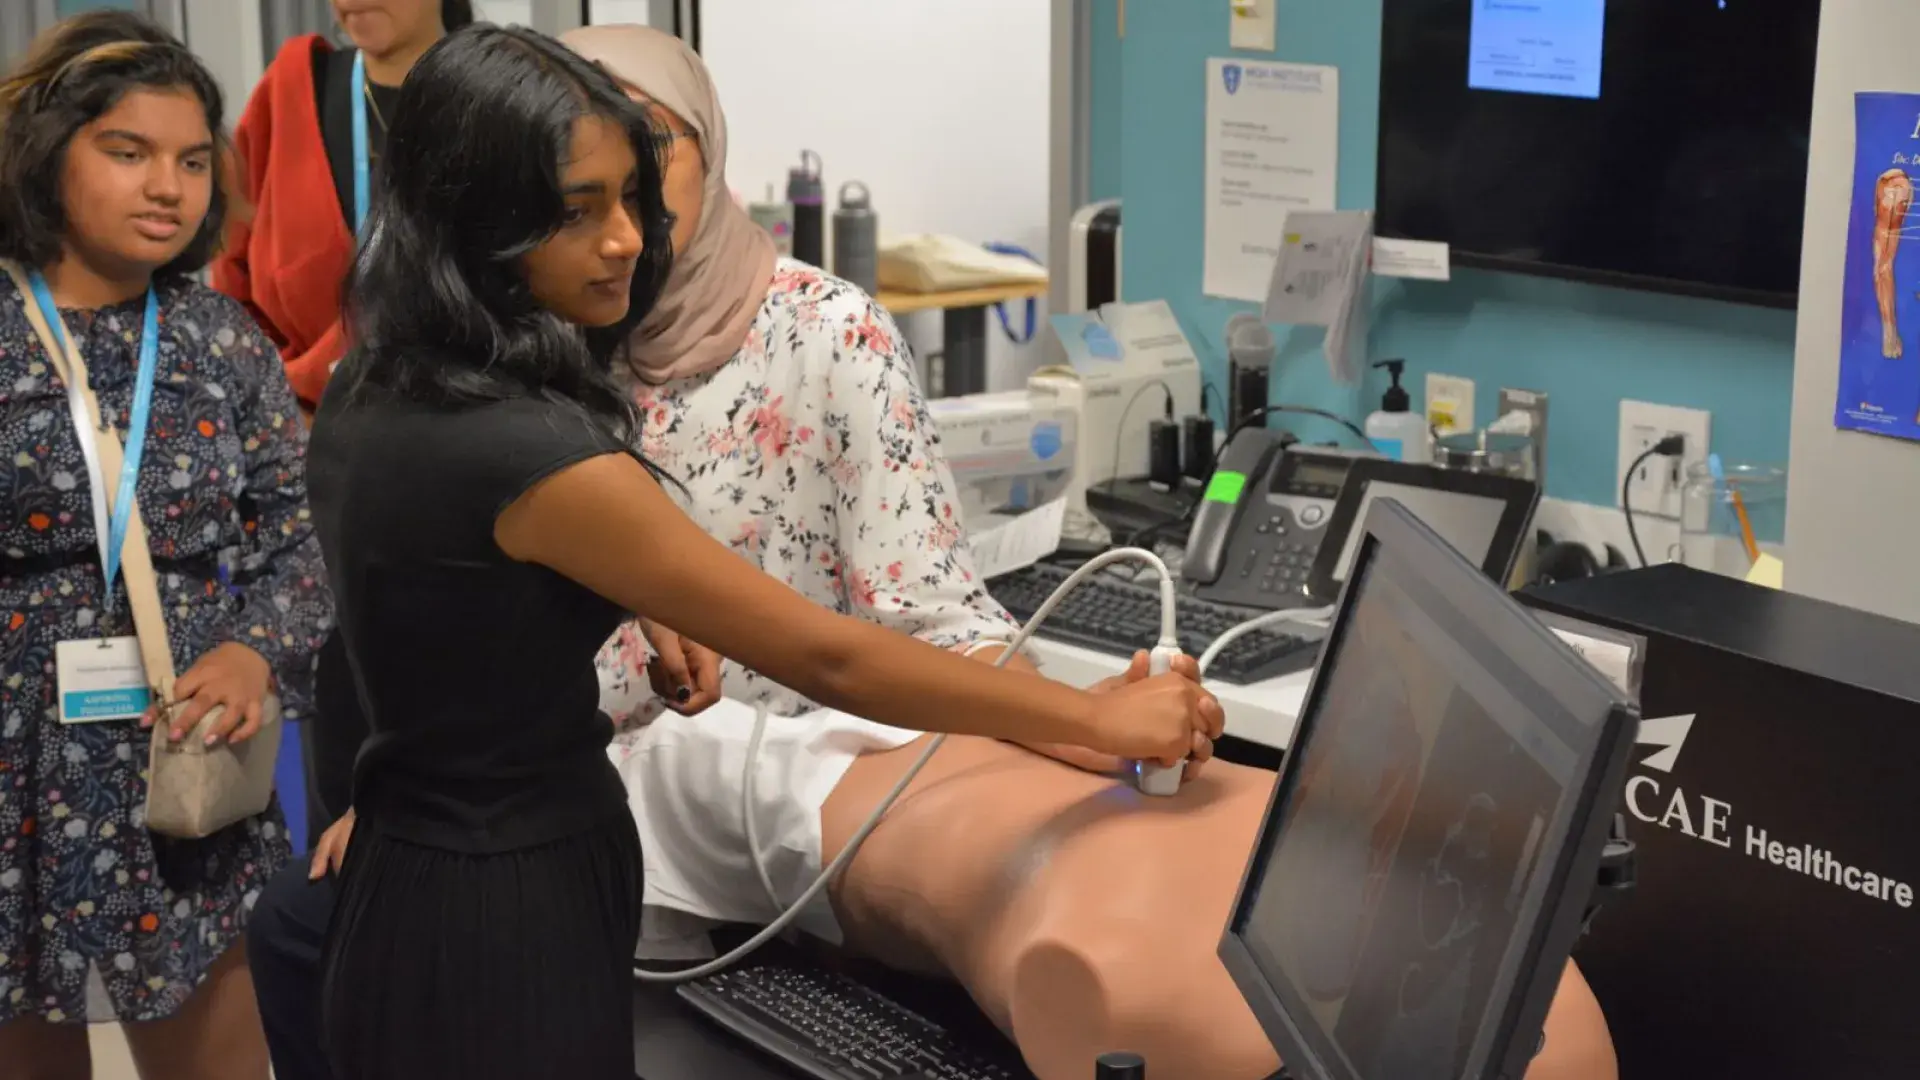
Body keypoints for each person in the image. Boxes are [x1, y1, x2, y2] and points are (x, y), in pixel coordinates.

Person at [240, 22, 1218, 1079]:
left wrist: (635, 594)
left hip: (417, 869)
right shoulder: (533, 451)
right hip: (512, 905)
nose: (626, 239)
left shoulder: (374, 381)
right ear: (480, 220)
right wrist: (1089, 716)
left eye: (634, 192)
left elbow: (450, 601)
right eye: (578, 212)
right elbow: (826, 656)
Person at [0, 11, 330, 1079]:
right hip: (10, 756)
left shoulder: (218, 338)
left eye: (192, 161)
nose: (167, 187)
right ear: (48, 155)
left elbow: (301, 536)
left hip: (183, 744)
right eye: (127, 152)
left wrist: (254, 651)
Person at [212, 0, 476, 857]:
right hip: (318, 455)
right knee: (344, 733)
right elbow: (235, 279)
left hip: (463, 451)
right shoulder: (297, 90)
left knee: (459, 724)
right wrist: (275, 410)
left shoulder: (495, 89)